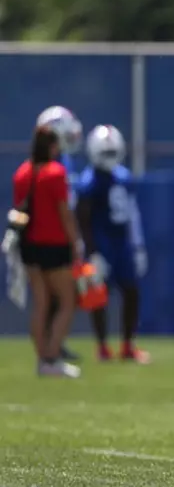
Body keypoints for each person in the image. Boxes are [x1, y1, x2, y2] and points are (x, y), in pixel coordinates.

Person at [12, 125, 84, 377]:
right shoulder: (55, 173)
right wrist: (76, 242)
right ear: (52, 146)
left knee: (41, 304)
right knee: (67, 301)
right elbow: (64, 213)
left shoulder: (22, 173)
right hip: (53, 245)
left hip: (29, 246)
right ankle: (52, 357)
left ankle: (43, 359)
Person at [75, 125, 150, 363]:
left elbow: (133, 213)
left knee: (131, 291)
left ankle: (128, 345)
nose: (109, 158)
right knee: (97, 296)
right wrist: (91, 251)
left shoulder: (124, 177)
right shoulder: (88, 181)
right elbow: (82, 218)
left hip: (122, 242)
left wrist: (138, 245)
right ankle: (103, 347)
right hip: (101, 243)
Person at [36, 106, 83, 363]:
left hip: (49, 238)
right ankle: (49, 353)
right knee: (59, 298)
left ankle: (52, 347)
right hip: (52, 238)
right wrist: (75, 240)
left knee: (56, 298)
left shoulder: (61, 163)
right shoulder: (50, 167)